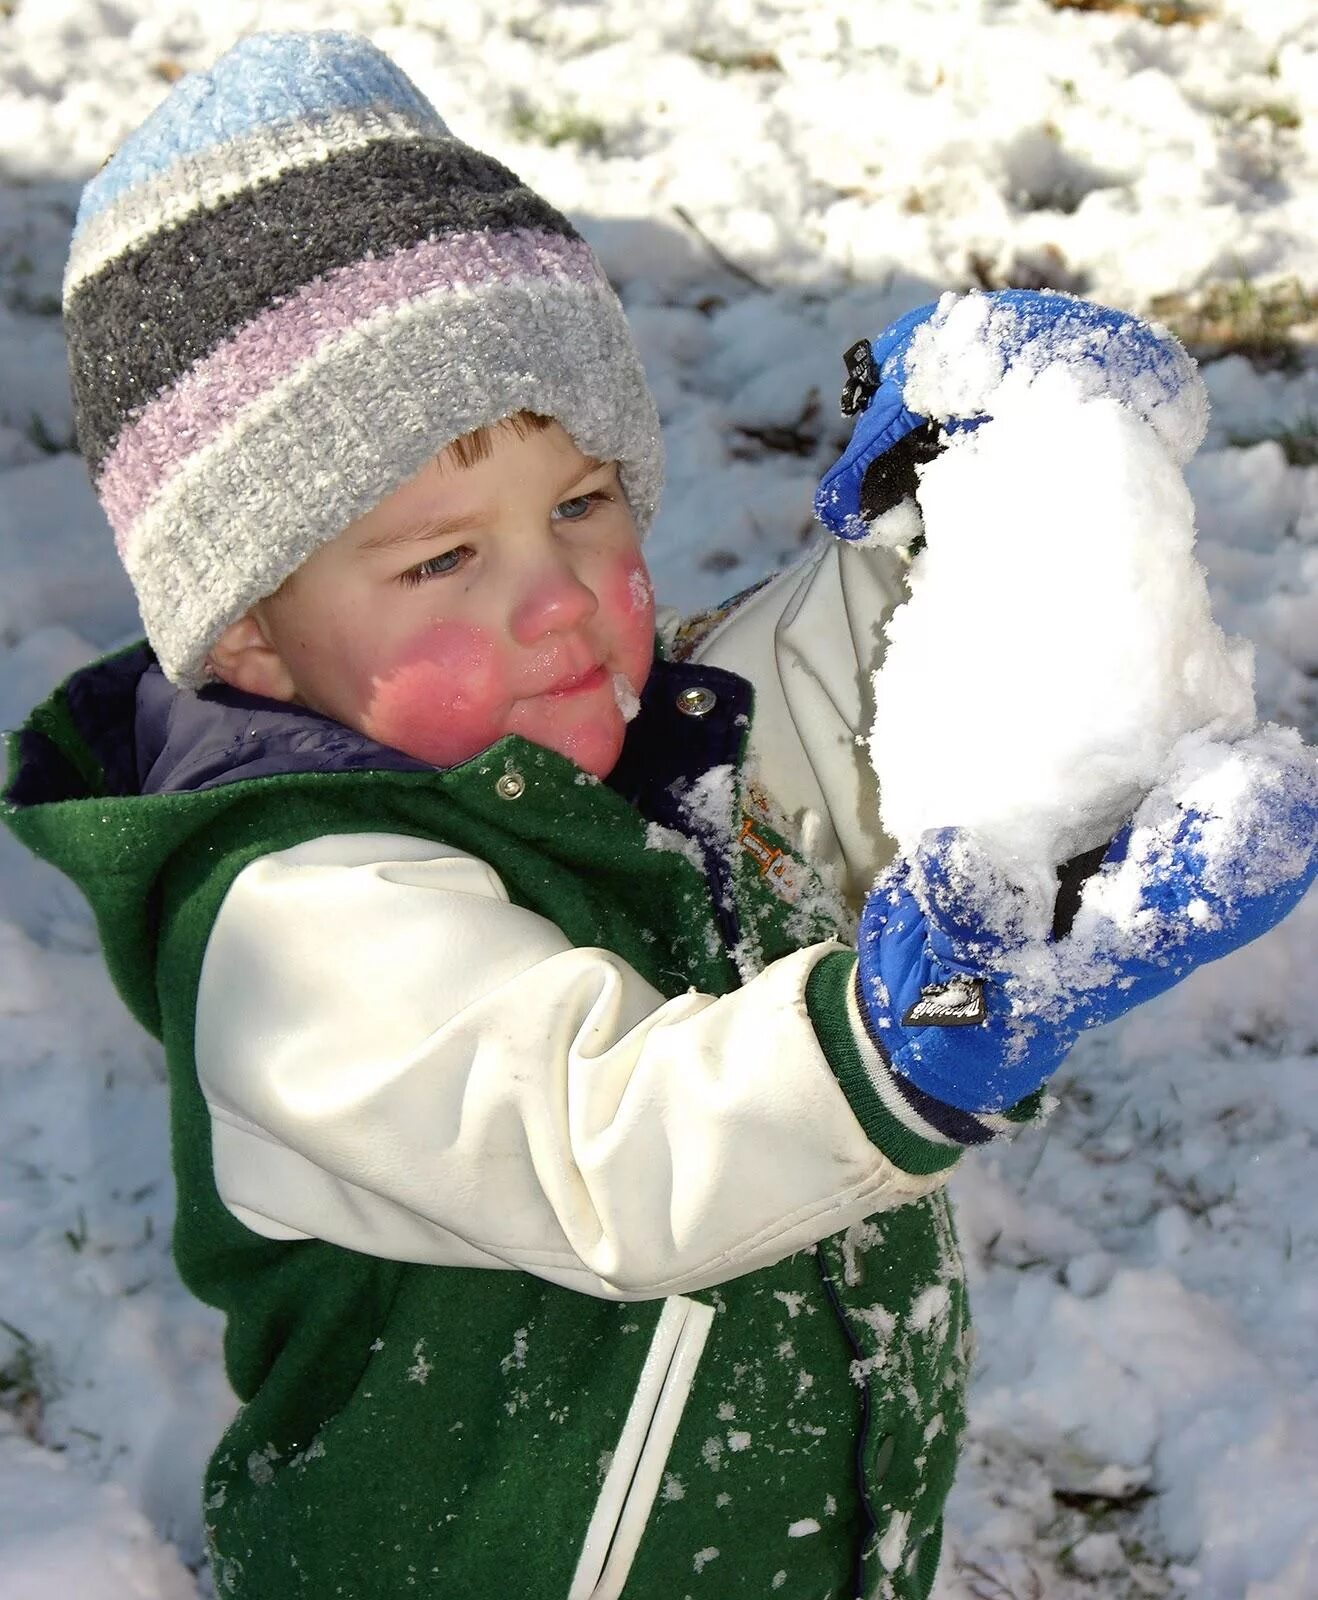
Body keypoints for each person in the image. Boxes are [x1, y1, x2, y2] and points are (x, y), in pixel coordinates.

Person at [3, 31, 1313, 1600]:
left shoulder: (598, 736)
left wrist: (989, 497)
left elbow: (844, 708)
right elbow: (604, 1142)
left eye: (580, 505)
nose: (555, 600)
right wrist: (904, 1039)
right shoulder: (296, 931)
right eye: (442, 563)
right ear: (252, 638)